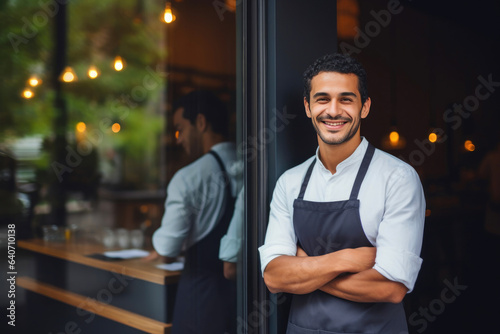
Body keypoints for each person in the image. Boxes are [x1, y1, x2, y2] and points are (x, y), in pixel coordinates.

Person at [259, 53, 426, 333]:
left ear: (365, 107)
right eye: (322, 99)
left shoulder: (398, 179)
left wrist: (305, 267)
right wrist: (344, 260)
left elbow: (392, 286)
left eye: (346, 99)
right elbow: (275, 277)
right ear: (308, 107)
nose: (333, 110)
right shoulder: (290, 182)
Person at [151, 90, 241, 334]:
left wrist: (157, 246)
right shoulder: (251, 165)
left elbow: (167, 249)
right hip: (243, 297)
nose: (178, 139)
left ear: (200, 123)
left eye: (180, 129)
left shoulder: (188, 178)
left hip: (200, 300)